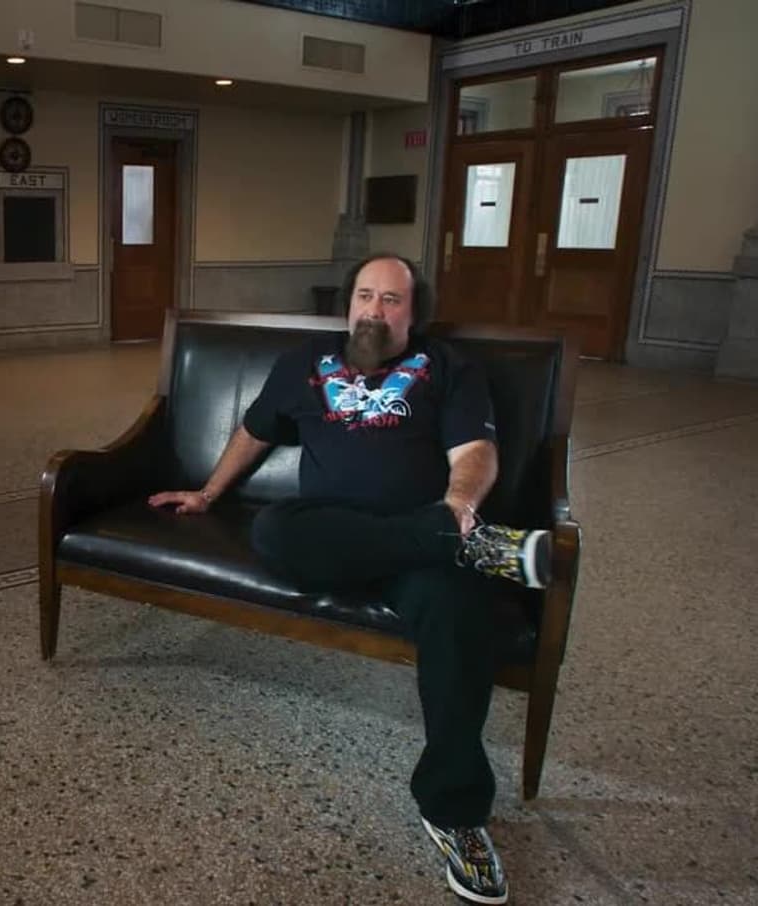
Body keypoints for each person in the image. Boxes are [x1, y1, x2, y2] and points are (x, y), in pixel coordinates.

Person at [147, 253, 550, 905]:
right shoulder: (306, 363)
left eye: (392, 300)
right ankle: (463, 546)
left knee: (458, 608)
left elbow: (475, 453)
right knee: (276, 529)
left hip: (419, 550)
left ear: (415, 313)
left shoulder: (449, 368)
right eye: (365, 296)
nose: (374, 310)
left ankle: (455, 814)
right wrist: (208, 493)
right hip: (333, 535)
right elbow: (253, 431)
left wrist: (458, 508)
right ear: (348, 304)